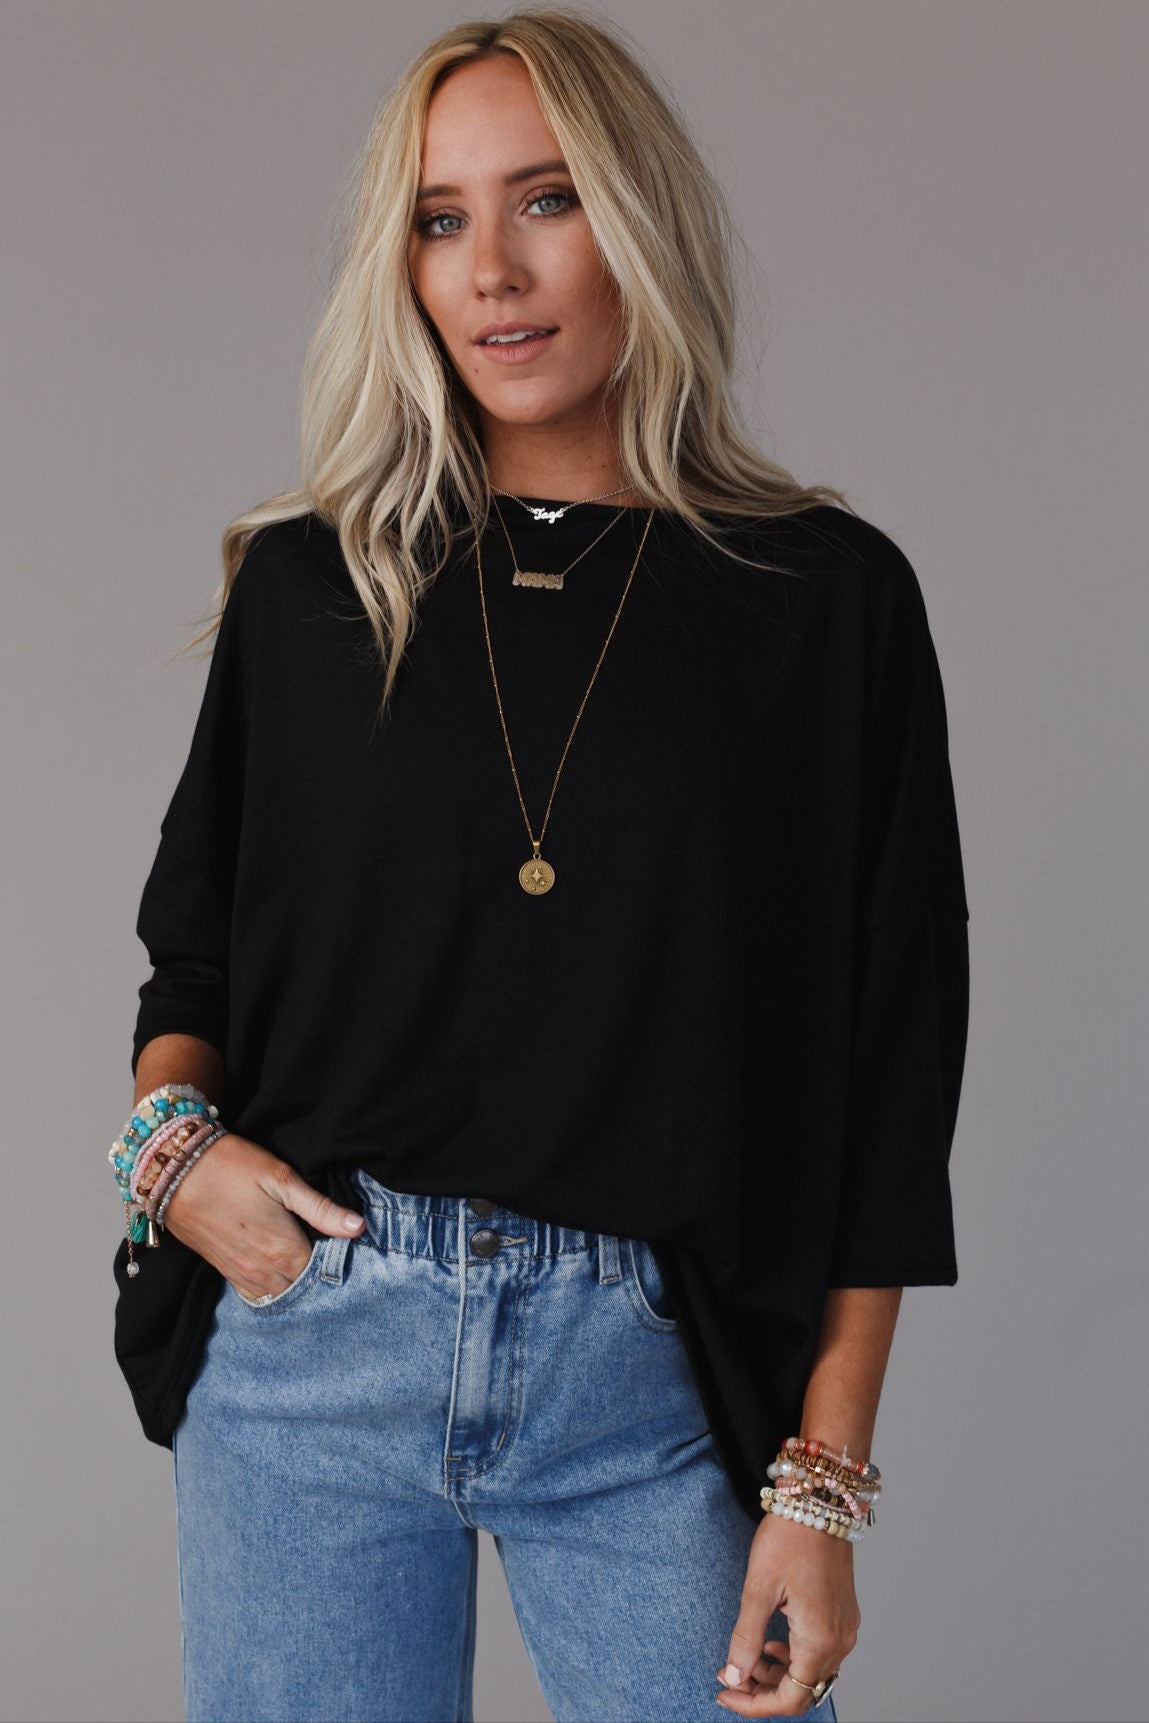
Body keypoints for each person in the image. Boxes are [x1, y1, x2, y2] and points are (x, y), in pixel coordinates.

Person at [110, 11, 970, 1723]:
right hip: (309, 1351)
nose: (491, 269)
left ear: (637, 218)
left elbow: (889, 1073)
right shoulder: (309, 591)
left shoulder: (824, 601)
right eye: (438, 219)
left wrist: (820, 1484)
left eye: (546, 201)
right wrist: (170, 1158)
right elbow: (190, 963)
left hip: (654, 1378)